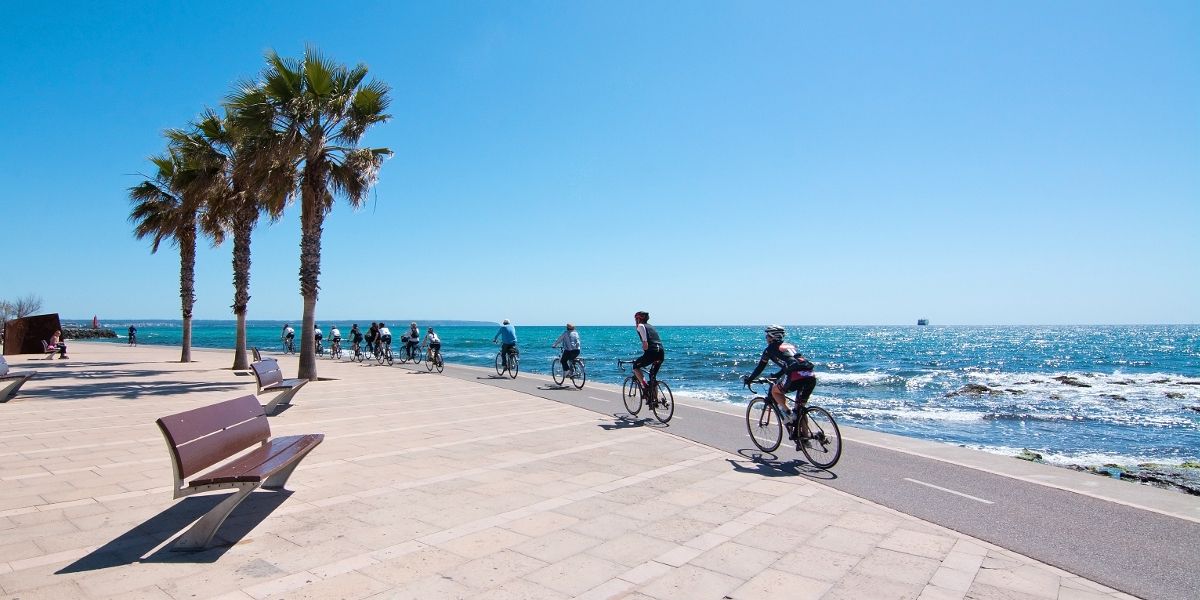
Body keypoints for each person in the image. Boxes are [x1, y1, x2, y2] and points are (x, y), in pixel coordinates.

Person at [741, 325, 816, 431]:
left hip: (795, 375)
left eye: (767, 336)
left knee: (775, 391)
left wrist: (750, 379)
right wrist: (777, 375)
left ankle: (789, 413)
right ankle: (805, 438)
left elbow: (761, 366)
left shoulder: (769, 350)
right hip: (810, 375)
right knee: (799, 409)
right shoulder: (790, 346)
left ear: (772, 337)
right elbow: (790, 363)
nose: (766, 338)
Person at [631, 311, 664, 398]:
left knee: (635, 366)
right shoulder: (651, 327)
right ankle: (655, 400)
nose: (635, 321)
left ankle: (645, 386)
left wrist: (644, 346)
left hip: (652, 353)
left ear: (638, 319)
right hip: (661, 352)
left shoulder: (640, 326)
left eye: (635, 319)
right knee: (652, 376)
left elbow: (645, 345)